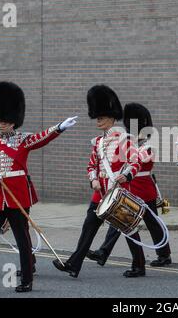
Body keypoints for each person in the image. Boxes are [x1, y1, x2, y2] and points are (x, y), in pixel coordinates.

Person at [0, 81, 77, 293]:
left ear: (14, 121)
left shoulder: (23, 140)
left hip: (18, 195)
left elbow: (41, 138)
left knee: (23, 239)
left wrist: (59, 128)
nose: (2, 123)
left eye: (6, 120)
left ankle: (27, 280)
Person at [52, 85, 140, 278]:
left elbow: (135, 162)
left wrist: (125, 175)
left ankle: (139, 264)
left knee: (128, 226)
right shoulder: (98, 142)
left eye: (101, 117)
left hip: (118, 191)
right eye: (97, 117)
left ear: (111, 117)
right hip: (99, 193)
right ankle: (74, 265)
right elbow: (91, 166)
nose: (98, 121)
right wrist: (93, 180)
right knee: (89, 227)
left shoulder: (125, 138)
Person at [87, 103, 172, 273]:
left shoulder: (148, 143)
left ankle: (164, 255)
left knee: (152, 223)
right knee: (121, 221)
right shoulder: (127, 141)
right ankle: (104, 252)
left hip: (144, 188)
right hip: (129, 187)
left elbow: (141, 159)